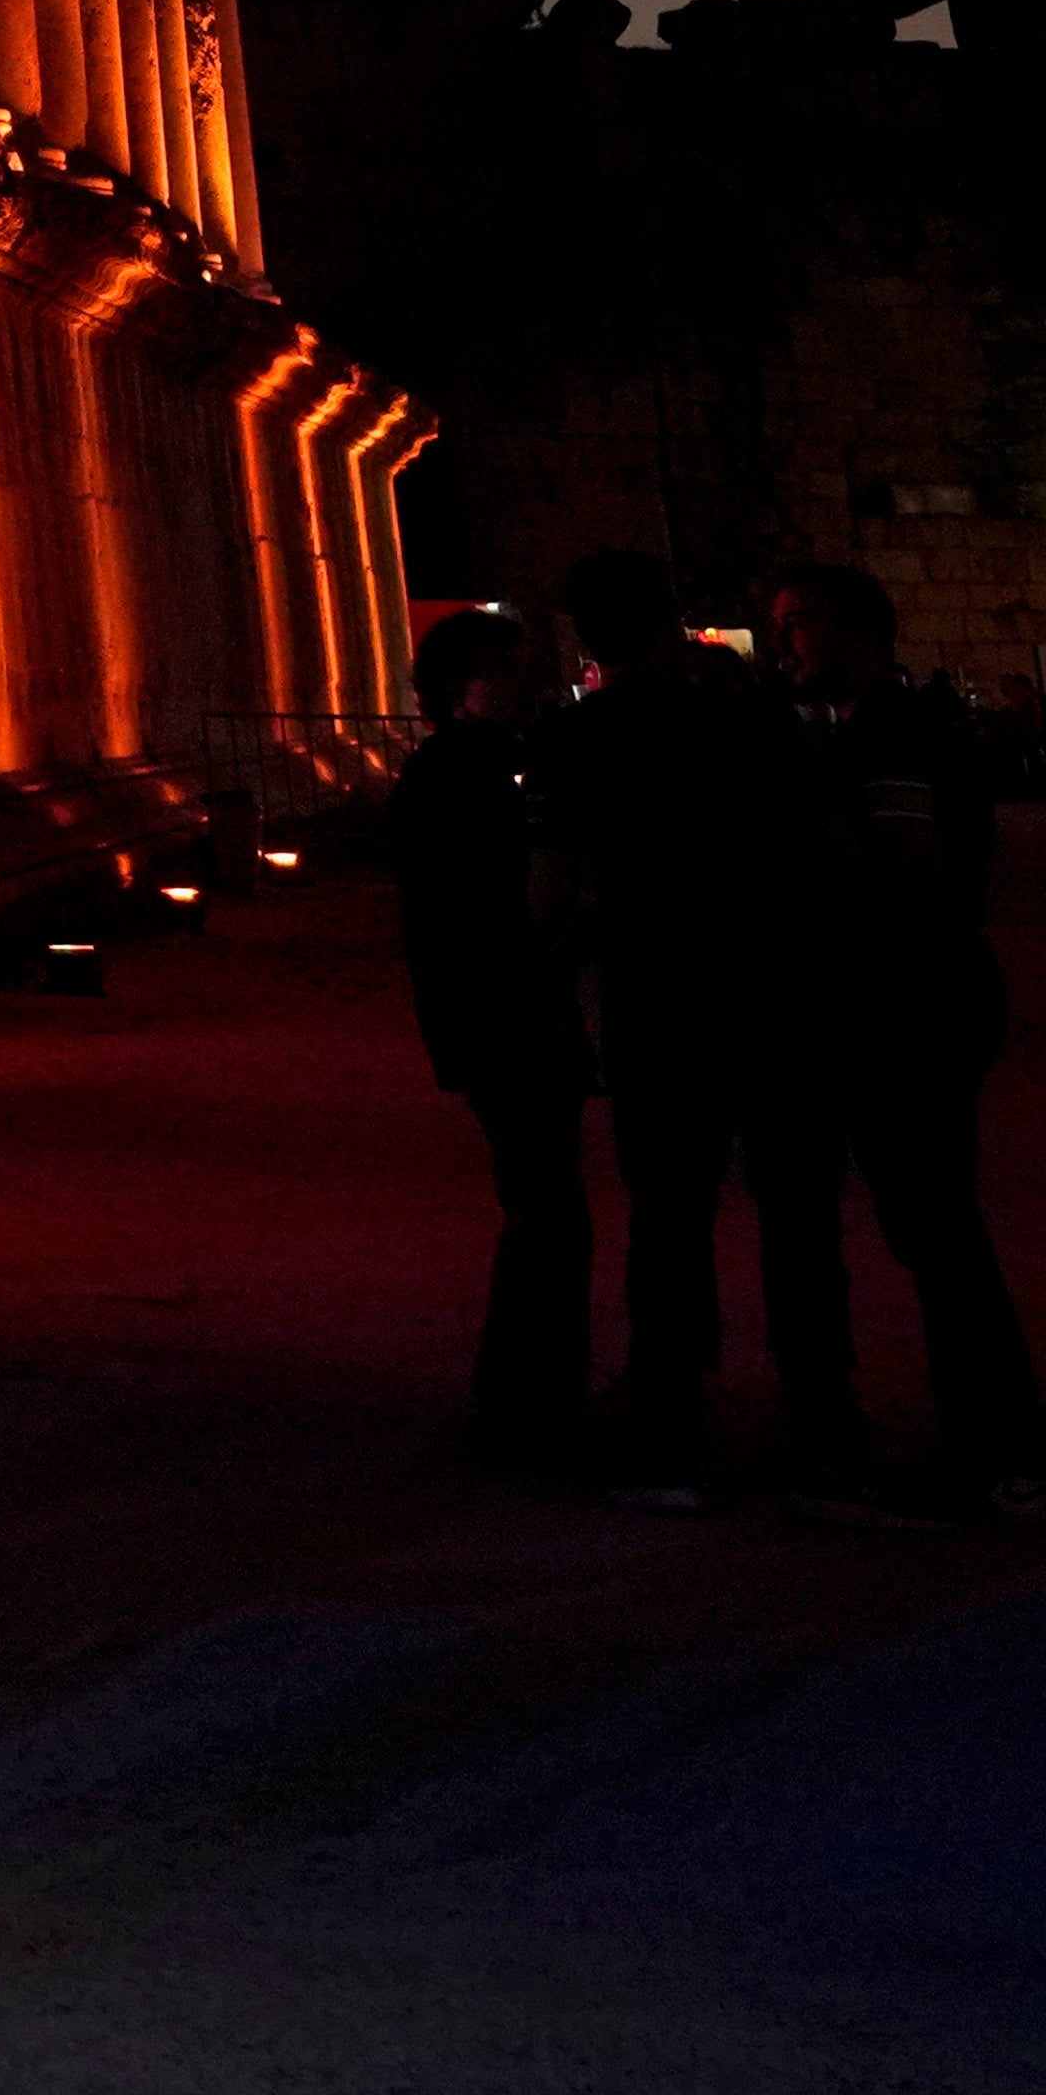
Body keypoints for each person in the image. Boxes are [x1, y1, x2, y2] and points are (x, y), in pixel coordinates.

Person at [543, 547, 819, 1506]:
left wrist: (563, 1001)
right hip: (767, 987)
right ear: (670, 627)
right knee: (795, 1205)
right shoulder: (750, 724)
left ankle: (670, 1427)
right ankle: (821, 1419)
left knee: (667, 1213)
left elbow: (554, 889)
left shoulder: (579, 740)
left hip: (653, 996)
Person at [761, 563, 1034, 1518]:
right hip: (907, 1008)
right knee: (936, 1233)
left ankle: (1001, 1453)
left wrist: (820, 839)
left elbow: (913, 892)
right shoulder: (883, 732)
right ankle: (996, 1445)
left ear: (860, 634)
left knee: (937, 1235)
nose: (781, 640)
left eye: (799, 623)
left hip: (902, 1016)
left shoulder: (888, 739)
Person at [370, 605, 598, 1476]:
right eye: (505, 667)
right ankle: (527, 1405)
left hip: (497, 1017)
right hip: (504, 1020)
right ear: (458, 691)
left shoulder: (471, 770)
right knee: (547, 1214)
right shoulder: (463, 781)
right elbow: (503, 915)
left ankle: (530, 1397)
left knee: (545, 1210)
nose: (527, 682)